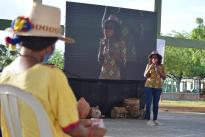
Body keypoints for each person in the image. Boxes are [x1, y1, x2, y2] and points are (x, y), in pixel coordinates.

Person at [0, 3, 106, 137]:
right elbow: (72, 129)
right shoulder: (52, 76)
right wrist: (94, 131)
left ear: (21, 40)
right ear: (49, 47)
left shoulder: (4, 76)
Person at [143, 51, 166, 126]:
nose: (154, 59)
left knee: (156, 104)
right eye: (152, 58)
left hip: (158, 87)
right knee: (148, 103)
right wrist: (150, 67)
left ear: (158, 59)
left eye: (156, 58)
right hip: (148, 86)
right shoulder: (148, 65)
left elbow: (164, 77)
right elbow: (145, 75)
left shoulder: (162, 66)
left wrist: (158, 70)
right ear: (151, 59)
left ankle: (155, 119)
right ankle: (148, 119)